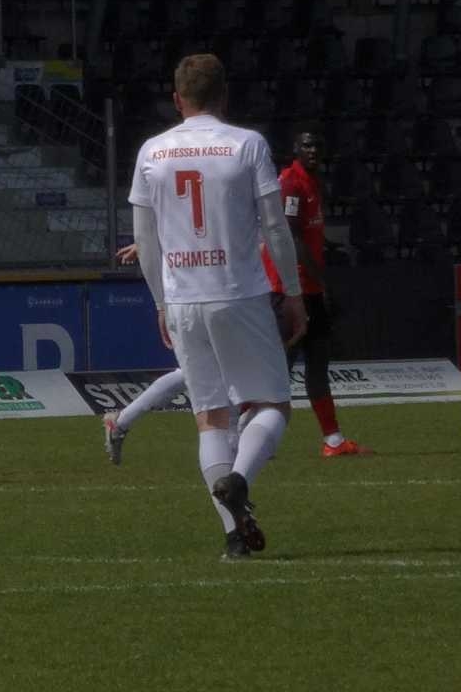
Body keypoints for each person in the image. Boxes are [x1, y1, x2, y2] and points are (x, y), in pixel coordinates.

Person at [129, 53, 307, 560]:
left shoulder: (151, 151)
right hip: (239, 292)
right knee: (272, 405)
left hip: (183, 297)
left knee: (211, 419)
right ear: (224, 95)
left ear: (176, 99)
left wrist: (161, 303)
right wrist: (294, 293)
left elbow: (145, 240)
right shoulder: (247, 144)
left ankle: (234, 537)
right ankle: (240, 480)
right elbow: (275, 227)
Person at [261, 128, 370, 457]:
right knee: (278, 370)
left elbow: (306, 235)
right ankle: (249, 439)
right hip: (290, 290)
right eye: (307, 145)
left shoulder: (310, 182)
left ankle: (333, 441)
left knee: (318, 364)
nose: (313, 150)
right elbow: (291, 237)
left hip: (309, 288)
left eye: (317, 145)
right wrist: (322, 281)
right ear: (295, 148)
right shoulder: (291, 183)